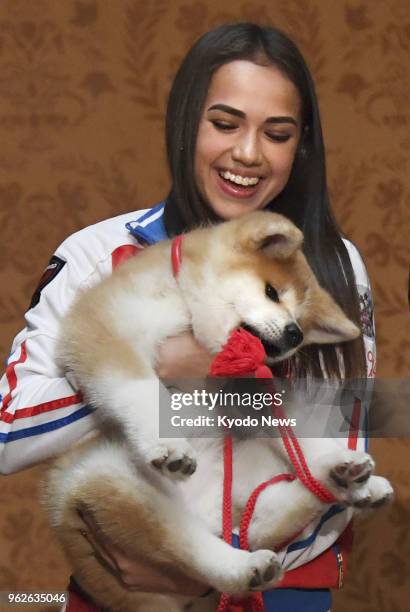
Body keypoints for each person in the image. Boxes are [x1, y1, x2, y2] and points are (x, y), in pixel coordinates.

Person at [0, 22, 375, 612]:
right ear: (184, 123)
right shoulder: (98, 254)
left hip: (276, 592)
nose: (248, 154)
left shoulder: (330, 267)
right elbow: (9, 435)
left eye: (276, 134)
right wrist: (155, 368)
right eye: (224, 124)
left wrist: (205, 566)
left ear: (299, 145)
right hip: (128, 585)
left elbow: (339, 452)